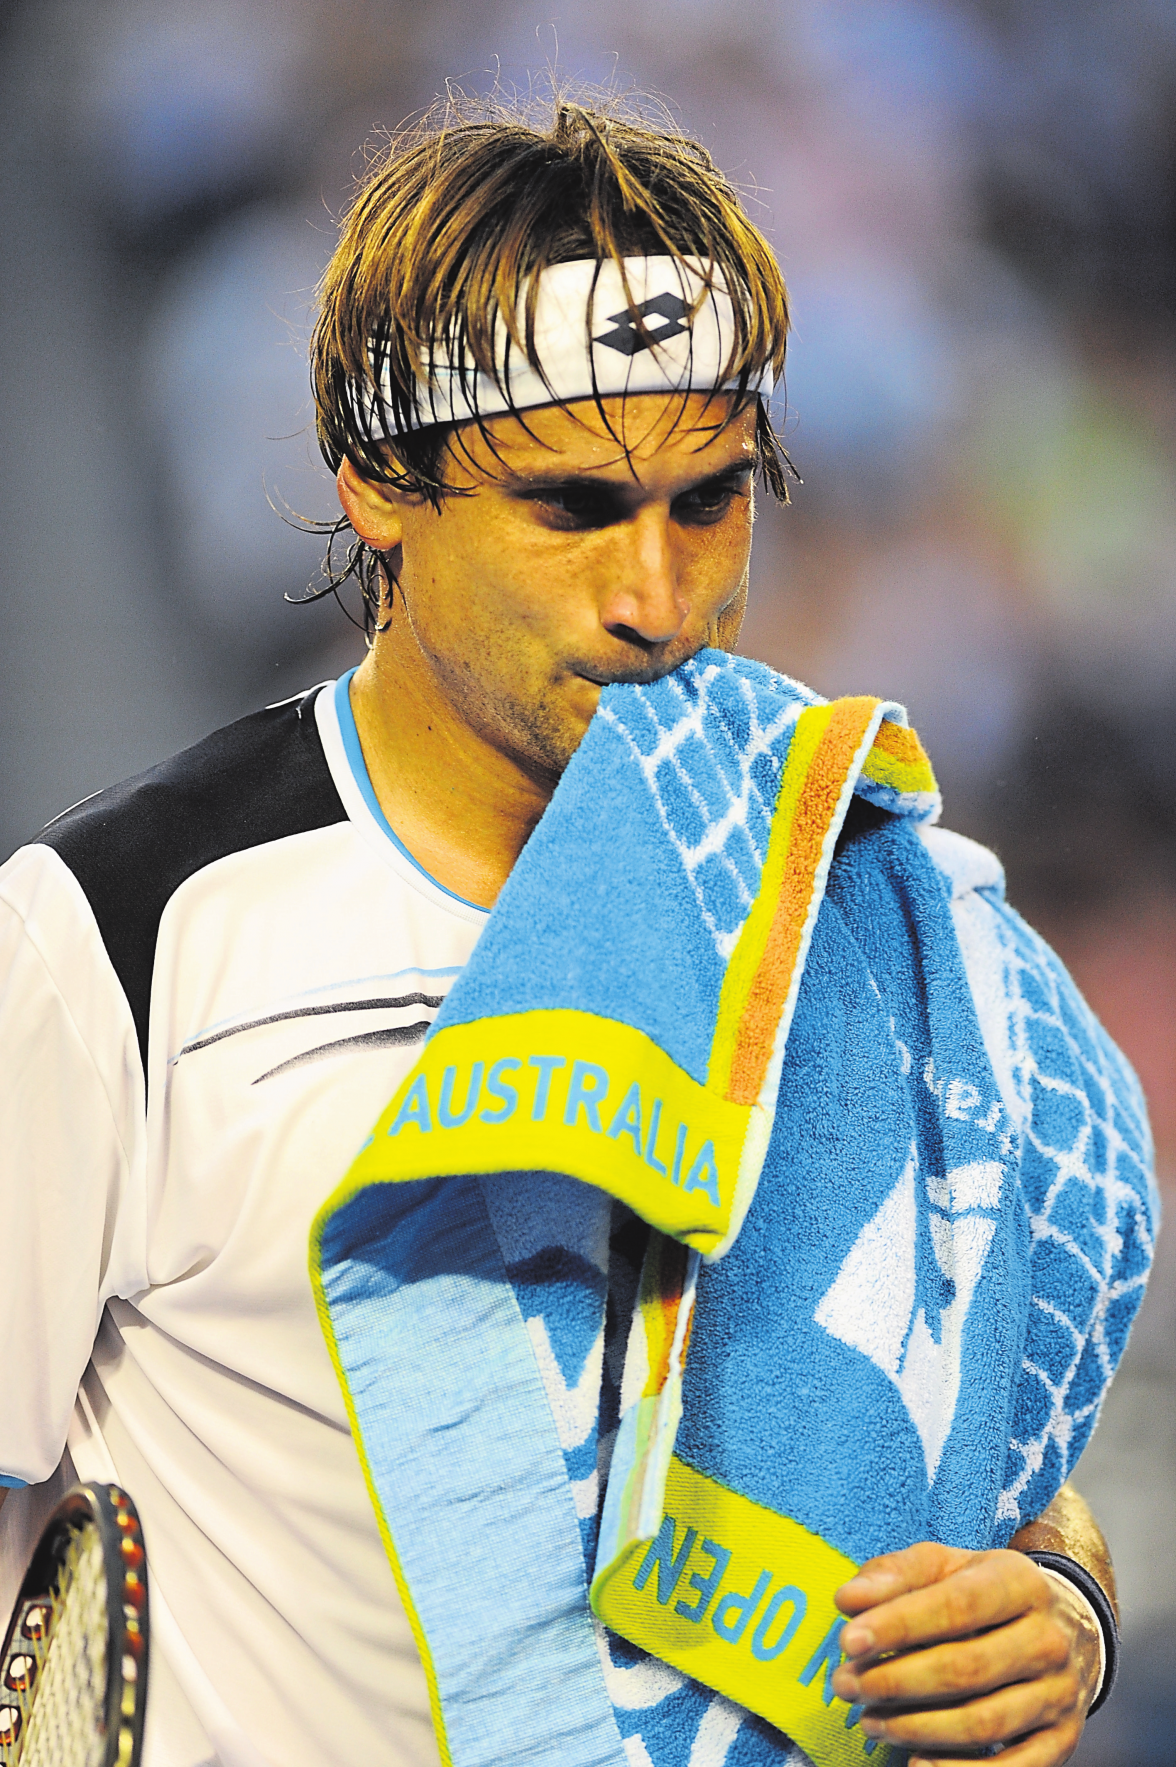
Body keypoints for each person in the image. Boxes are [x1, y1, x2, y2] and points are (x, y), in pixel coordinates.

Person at [0, 94, 1150, 1767]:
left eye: (711, 502)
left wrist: (1062, 1607)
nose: (659, 600)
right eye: (572, 509)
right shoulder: (114, 933)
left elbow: (986, 1461)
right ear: (382, 484)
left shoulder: (858, 895)